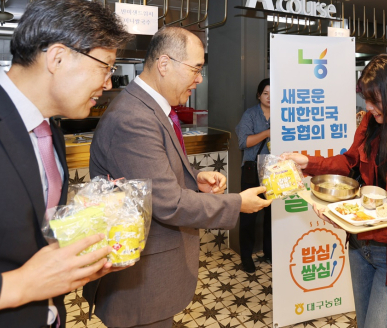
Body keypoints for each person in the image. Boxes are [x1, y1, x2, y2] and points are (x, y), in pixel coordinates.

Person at [0, 0, 133, 327]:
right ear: (57, 58)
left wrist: (86, 237)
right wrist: (21, 286)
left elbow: (28, 229)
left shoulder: (49, 128)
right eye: (105, 68)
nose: (107, 83)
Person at [85, 26, 272, 328]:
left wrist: (194, 177)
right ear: (164, 64)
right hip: (142, 283)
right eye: (196, 69)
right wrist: (236, 203)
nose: (199, 79)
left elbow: (152, 175)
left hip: (152, 273)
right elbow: (167, 202)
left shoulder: (152, 108)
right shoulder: (135, 118)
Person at [284, 53, 387, 328]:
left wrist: (355, 223)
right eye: (366, 100)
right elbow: (350, 162)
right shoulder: (371, 124)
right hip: (361, 248)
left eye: (375, 101)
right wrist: (308, 162)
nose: (368, 108)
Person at [235, 78, 271, 273]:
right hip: (251, 169)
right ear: (259, 95)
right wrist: (268, 133)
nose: (269, 97)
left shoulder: (283, 114)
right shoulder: (250, 114)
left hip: (274, 172)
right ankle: (246, 257)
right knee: (248, 214)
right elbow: (244, 142)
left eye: (273, 94)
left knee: (272, 214)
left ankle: (269, 252)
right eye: (266, 93)